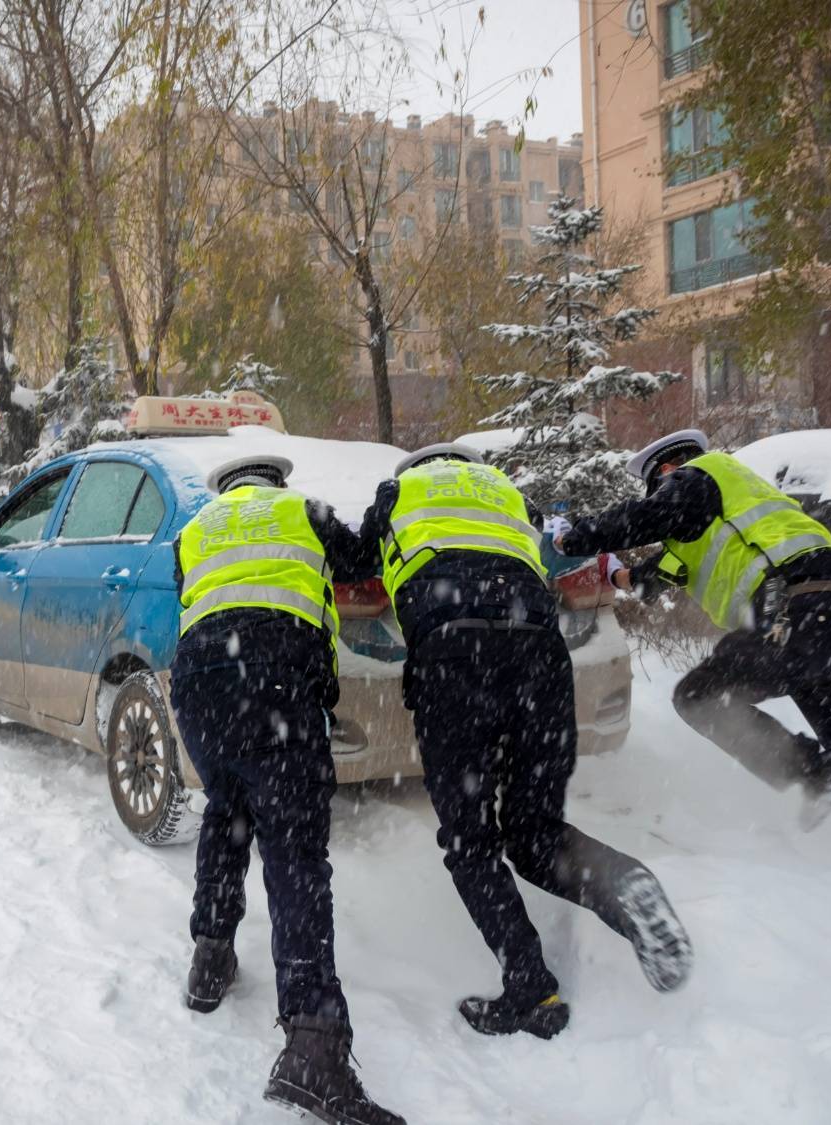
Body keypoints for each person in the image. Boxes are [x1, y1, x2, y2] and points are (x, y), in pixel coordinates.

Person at [554, 429, 831, 904]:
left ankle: (815, 774)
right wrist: (614, 571)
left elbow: (650, 516)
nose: (659, 494)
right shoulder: (716, 522)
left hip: (797, 615)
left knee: (699, 697)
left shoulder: (704, 475)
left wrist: (574, 535)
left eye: (658, 485)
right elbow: (648, 578)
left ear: (669, 471)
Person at [360, 444, 693, 1042]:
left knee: (471, 842)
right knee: (534, 832)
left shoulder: (398, 494)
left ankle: (531, 989)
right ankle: (624, 884)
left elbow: (354, 559)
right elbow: (566, 550)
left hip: (454, 652)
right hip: (540, 656)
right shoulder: (509, 499)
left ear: (416, 471)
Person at [172, 455, 403, 1125]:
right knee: (295, 852)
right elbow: (361, 560)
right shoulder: (303, 510)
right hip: (275, 675)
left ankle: (210, 958)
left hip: (201, 682)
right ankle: (313, 1048)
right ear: (275, 481)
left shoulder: (197, 528)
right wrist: (387, 500)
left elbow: (190, 593)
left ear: (227, 490)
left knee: (227, 809)